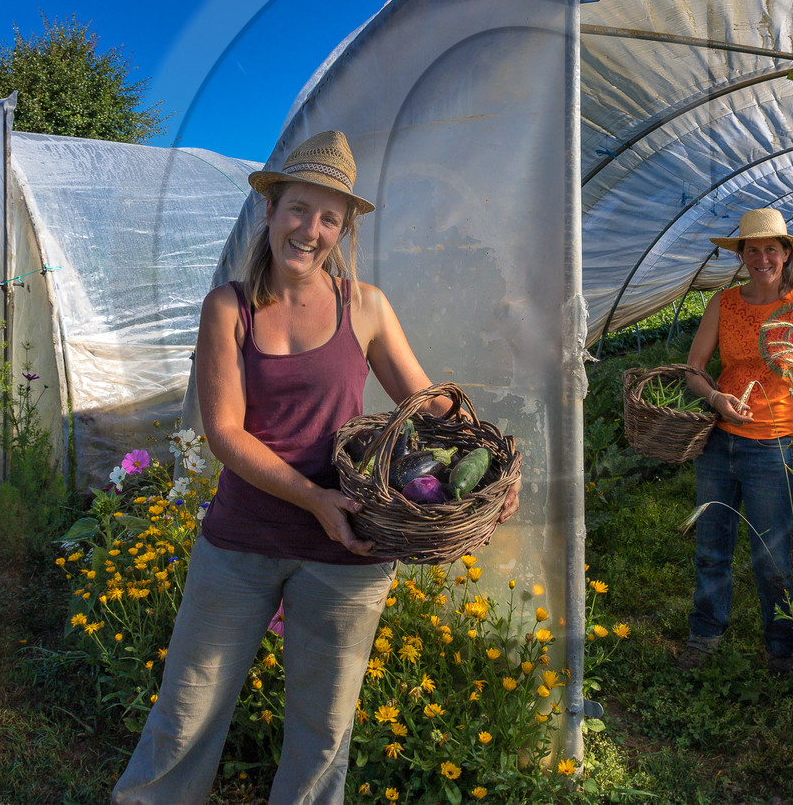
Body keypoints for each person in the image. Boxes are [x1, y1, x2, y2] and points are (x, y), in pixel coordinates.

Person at [113, 130, 517, 805]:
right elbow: (225, 433)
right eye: (299, 208)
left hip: (348, 547)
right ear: (271, 210)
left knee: (322, 732)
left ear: (344, 229)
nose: (311, 229)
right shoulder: (230, 308)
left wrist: (492, 467)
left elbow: (430, 405)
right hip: (242, 539)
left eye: (330, 217)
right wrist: (313, 498)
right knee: (186, 709)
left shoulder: (367, 306)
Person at [678, 207, 793, 674]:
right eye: (753, 250)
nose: (762, 258)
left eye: (771, 249)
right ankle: (705, 636)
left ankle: (782, 646)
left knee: (772, 557)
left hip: (773, 446)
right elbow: (693, 369)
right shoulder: (723, 304)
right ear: (742, 256)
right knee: (712, 548)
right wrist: (715, 397)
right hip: (718, 443)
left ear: (787, 253)